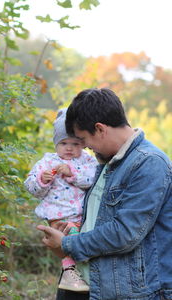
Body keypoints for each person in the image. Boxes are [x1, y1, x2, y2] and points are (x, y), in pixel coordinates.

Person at [37, 88, 172, 300]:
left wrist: (66, 244)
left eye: (83, 139)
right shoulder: (105, 162)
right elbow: (99, 219)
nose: (86, 148)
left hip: (125, 293)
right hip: (86, 283)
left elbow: (125, 232)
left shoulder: (149, 162)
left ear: (99, 129)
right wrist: (75, 228)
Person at [24, 108, 97, 292]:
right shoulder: (47, 162)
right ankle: (70, 271)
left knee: (80, 238)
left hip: (82, 216)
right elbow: (30, 186)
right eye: (64, 143)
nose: (70, 148)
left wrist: (73, 173)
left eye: (75, 143)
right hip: (58, 216)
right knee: (71, 237)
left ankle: (75, 273)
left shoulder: (87, 161)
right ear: (56, 144)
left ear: (82, 143)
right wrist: (42, 179)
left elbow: (92, 179)